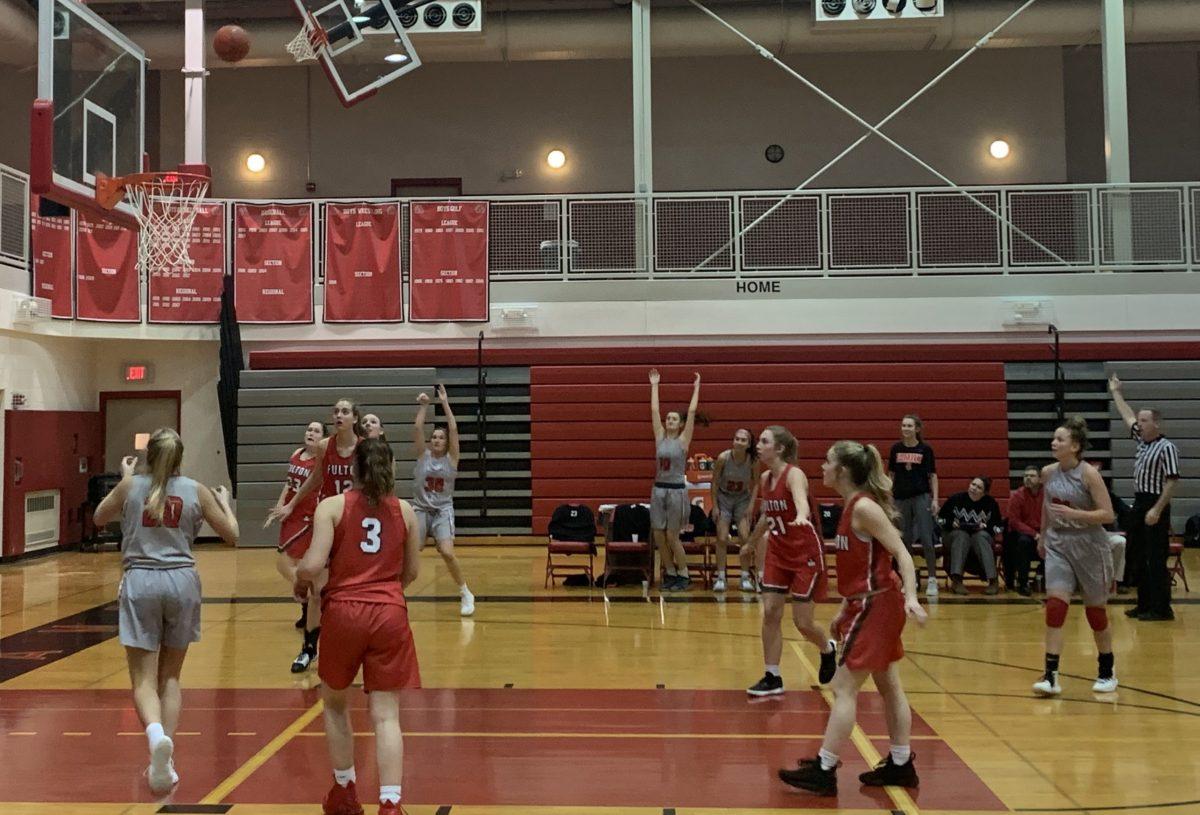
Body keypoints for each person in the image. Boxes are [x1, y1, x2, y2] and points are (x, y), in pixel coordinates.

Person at [93, 429, 239, 794]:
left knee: (143, 679)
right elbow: (233, 535)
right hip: (181, 581)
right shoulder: (196, 489)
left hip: (141, 580)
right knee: (170, 677)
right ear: (180, 457)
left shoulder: (131, 487)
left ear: (148, 457)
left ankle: (156, 737)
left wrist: (127, 481)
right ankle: (166, 760)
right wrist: (225, 503)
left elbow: (98, 518)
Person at [778, 440, 926, 797]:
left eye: (828, 462)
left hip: (880, 606)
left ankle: (825, 769)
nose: (822, 467)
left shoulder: (864, 508)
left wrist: (911, 597)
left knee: (843, 687)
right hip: (868, 603)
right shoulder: (850, 506)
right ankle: (901, 763)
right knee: (888, 681)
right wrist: (845, 608)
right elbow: (863, 567)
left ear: (842, 471)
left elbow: (902, 554)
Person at [294, 438, 422, 815]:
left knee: (334, 705)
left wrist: (300, 581)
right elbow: (411, 572)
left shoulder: (332, 506)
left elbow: (312, 565)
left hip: (345, 611)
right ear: (392, 467)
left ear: (353, 469)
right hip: (389, 612)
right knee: (386, 715)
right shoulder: (406, 511)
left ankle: (345, 791)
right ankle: (391, 803)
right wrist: (384, 592)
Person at [266, 398, 365, 670]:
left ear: (355, 418)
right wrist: (291, 503)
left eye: (345, 411)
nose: (339, 415)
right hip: (329, 523)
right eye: (335, 411)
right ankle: (309, 648)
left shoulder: (364, 448)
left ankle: (354, 646)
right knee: (317, 590)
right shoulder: (325, 446)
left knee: (352, 590)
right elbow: (315, 479)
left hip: (355, 524)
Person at [745, 426, 837, 697]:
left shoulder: (794, 474)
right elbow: (767, 514)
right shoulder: (764, 478)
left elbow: (801, 499)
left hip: (804, 553)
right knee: (771, 611)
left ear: (780, 448)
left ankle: (827, 648)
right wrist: (751, 542)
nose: (758, 446)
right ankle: (772, 676)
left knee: (803, 622)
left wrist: (801, 514)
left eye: (764, 441)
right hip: (778, 551)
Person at [1033, 416, 1118, 697]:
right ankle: (1051, 675)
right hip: (1059, 543)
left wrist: (1076, 515)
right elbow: (1048, 507)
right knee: (1056, 606)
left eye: (1060, 439)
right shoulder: (1048, 472)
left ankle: (1107, 670)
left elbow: (1107, 514)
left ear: (1075, 446)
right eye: (1054, 438)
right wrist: (1044, 535)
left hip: (1090, 545)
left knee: (1095, 612)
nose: (1053, 443)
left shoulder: (1088, 474)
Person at [1110, 375, 1181, 621]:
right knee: (1137, 555)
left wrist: (1157, 510)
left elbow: (1172, 481)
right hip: (1140, 502)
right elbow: (1126, 416)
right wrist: (1116, 393)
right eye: (1139, 420)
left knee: (1155, 558)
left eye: (1144, 420)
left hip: (1155, 503)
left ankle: (1162, 608)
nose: (1139, 423)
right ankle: (1144, 604)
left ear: (1156, 424)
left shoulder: (1167, 447)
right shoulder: (1141, 441)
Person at [412, 385, 475, 616]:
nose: (437, 439)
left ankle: (465, 592)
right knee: (412, 550)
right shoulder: (422, 455)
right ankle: (394, 592)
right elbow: (418, 428)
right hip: (420, 508)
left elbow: (454, 428)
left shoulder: (452, 459)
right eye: (434, 437)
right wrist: (424, 406)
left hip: (442, 510)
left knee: (447, 552)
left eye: (441, 437)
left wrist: (445, 402)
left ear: (446, 442)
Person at [271, 421, 327, 671]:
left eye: (316, 431)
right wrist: (280, 505)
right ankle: (308, 602)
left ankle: (307, 598)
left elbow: (311, 489)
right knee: (295, 564)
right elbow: (289, 485)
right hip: (291, 512)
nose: (310, 433)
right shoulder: (296, 455)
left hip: (308, 515)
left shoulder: (321, 461)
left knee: (284, 560)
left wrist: (292, 506)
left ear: (324, 439)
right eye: (309, 430)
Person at [648, 368, 702, 591]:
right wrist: (655, 385)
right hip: (658, 490)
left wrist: (696, 387)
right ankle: (670, 572)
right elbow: (654, 409)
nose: (669, 420)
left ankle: (684, 573)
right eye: (667, 418)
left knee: (672, 535)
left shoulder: (683, 441)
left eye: (673, 418)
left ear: (679, 424)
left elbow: (691, 412)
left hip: (676, 491)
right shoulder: (659, 436)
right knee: (658, 534)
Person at [887, 415, 940, 597]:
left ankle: (932, 578)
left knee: (926, 538)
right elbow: (891, 475)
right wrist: (888, 498)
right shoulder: (896, 449)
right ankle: (910, 580)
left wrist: (934, 500)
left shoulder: (926, 450)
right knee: (904, 540)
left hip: (921, 497)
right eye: (903, 425)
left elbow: (932, 476)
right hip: (901, 498)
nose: (905, 428)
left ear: (917, 429)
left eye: (909, 425)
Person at [710, 428, 759, 592]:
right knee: (722, 537)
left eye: (743, 440)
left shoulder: (752, 460)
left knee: (745, 536)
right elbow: (715, 482)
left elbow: (757, 483)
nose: (739, 442)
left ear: (748, 444)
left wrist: (752, 505)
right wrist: (715, 506)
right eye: (737, 438)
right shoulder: (723, 458)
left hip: (742, 499)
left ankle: (745, 576)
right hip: (724, 498)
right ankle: (721, 577)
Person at [938, 476, 1004, 595]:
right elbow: (939, 519)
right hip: (954, 535)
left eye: (978, 487)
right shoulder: (955, 499)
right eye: (973, 484)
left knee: (980, 537)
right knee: (961, 535)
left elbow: (999, 526)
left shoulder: (991, 503)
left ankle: (993, 580)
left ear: (984, 493)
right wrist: (950, 523)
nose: (974, 488)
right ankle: (957, 580)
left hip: (979, 536)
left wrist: (986, 527)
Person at [1005, 465, 1044, 596]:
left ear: (1040, 479)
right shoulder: (1017, 495)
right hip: (1024, 534)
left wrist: (1043, 535)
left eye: (1032, 476)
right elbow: (1014, 522)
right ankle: (1023, 583)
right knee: (1024, 542)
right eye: (1026, 476)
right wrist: (1035, 535)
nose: (1028, 478)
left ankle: (1047, 580)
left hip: (1043, 532)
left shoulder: (1047, 495)